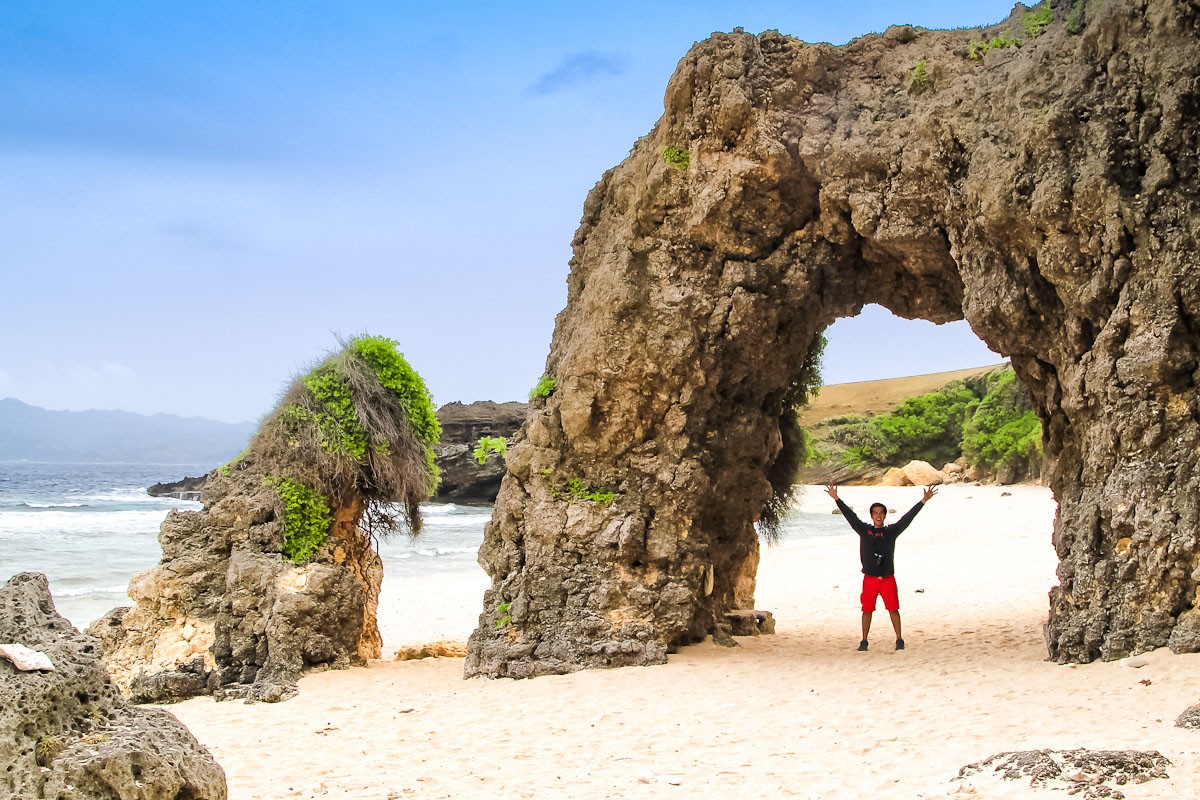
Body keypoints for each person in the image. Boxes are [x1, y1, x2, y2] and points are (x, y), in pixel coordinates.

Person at [825, 484, 937, 652]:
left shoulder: (891, 532)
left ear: (885, 515)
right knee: (867, 610)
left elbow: (907, 518)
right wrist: (836, 498)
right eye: (875, 513)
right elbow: (851, 516)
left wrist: (923, 501)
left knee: (893, 609)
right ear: (871, 516)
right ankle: (864, 641)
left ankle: (899, 639)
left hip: (887, 578)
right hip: (869, 578)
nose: (878, 515)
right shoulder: (865, 530)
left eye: (881, 513)